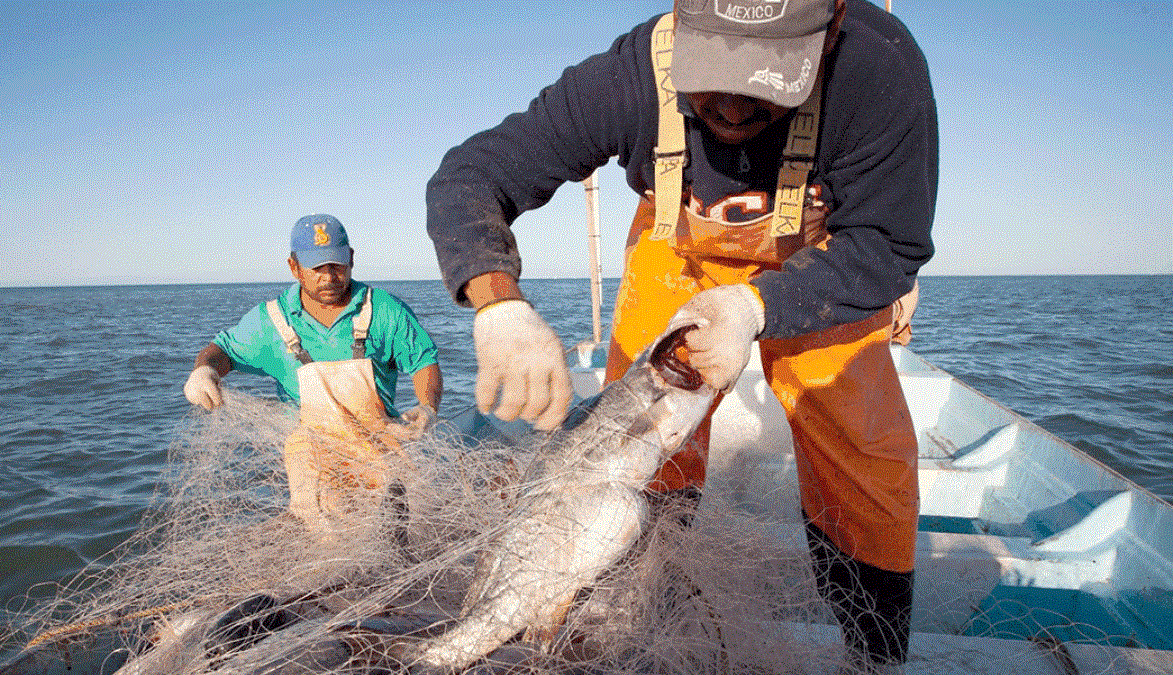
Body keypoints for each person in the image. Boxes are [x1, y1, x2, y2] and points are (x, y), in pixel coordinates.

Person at [426, 0, 936, 670]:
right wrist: (497, 303)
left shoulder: (882, 70)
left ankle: (873, 654)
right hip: (681, 253)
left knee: (861, 444)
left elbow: (887, 243)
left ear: (832, 28)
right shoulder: (631, 73)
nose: (728, 106)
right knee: (640, 444)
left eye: (764, 80)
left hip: (823, 264)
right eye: (711, 68)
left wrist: (755, 307)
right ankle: (627, 607)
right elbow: (471, 176)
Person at [184, 214, 442, 533]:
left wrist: (427, 406)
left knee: (393, 539)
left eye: (336, 265)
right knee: (325, 547)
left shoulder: (383, 309)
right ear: (294, 268)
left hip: (381, 453)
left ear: (350, 259)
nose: (328, 276)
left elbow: (424, 362)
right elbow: (222, 350)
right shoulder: (271, 322)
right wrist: (205, 370)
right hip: (312, 462)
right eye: (316, 267)